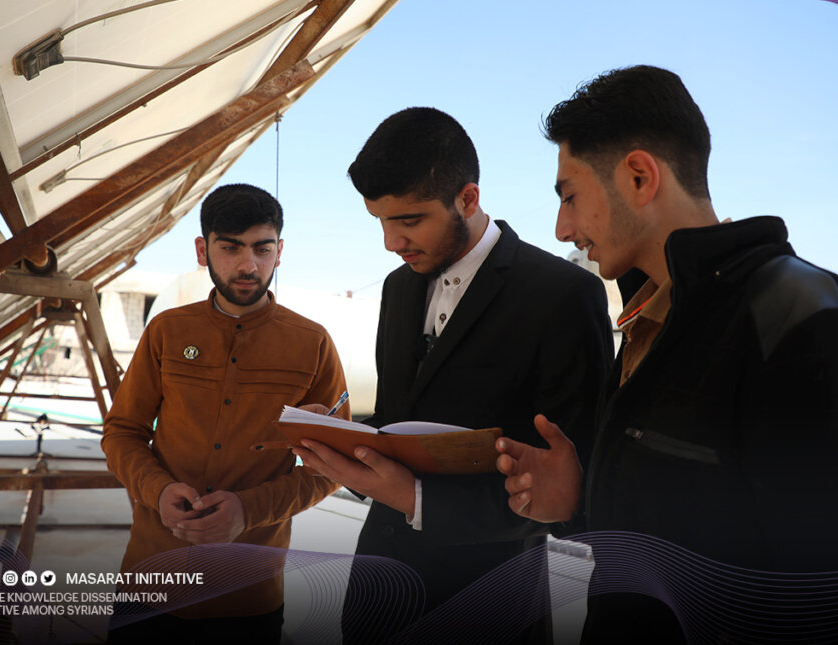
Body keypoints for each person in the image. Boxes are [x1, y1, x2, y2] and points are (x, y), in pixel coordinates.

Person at [496, 65, 838, 643]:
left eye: (570, 196)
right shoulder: (648, 321)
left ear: (639, 177)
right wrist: (580, 501)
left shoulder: (801, 312)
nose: (562, 228)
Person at [293, 107, 613, 643]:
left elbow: (568, 485)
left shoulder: (562, 295)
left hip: (489, 605)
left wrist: (417, 500)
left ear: (467, 198)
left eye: (409, 221)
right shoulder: (397, 288)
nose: (391, 243)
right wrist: (341, 435)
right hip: (376, 595)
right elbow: (401, 420)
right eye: (380, 222)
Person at [101, 183, 349, 643]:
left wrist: (248, 511)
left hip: (247, 591)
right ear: (203, 250)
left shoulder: (312, 343)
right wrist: (157, 490)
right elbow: (122, 432)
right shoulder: (166, 331)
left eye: (262, 249)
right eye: (231, 248)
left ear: (279, 252)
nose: (248, 265)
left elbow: (334, 466)